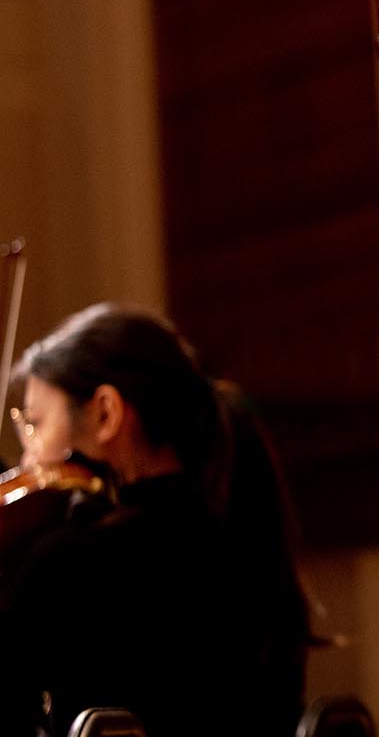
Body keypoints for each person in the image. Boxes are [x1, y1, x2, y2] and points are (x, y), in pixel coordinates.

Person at [0, 303, 309, 737]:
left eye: (35, 424)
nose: (28, 457)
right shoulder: (249, 543)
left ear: (106, 413)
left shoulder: (64, 566)